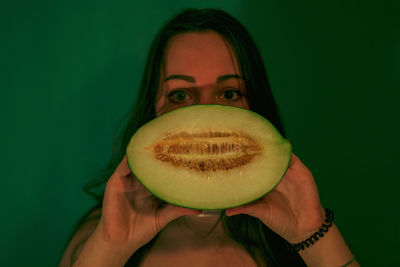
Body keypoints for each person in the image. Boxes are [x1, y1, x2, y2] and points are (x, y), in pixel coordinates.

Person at [59, 8, 359, 267]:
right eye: (179, 95)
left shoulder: (295, 237)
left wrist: (314, 235)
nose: (204, 115)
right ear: (151, 112)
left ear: (257, 106)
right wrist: (111, 247)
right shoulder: (99, 236)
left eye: (229, 93)